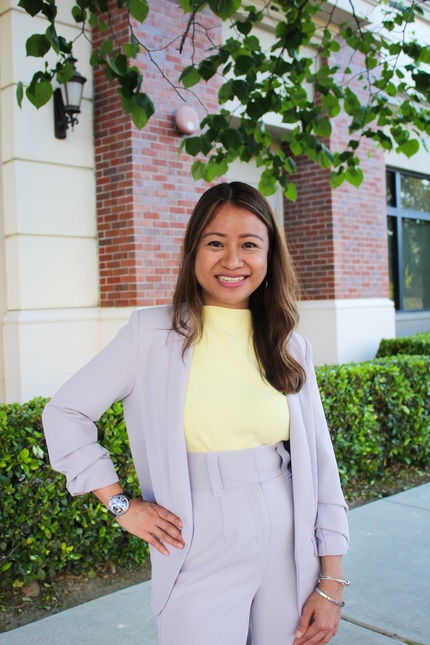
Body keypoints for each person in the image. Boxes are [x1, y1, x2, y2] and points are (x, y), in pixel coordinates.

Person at [42, 181, 349, 645]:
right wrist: (121, 505)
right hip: (194, 533)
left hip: (288, 530)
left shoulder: (290, 345)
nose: (232, 260)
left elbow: (323, 468)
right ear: (193, 251)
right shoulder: (151, 333)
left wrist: (331, 584)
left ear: (269, 256)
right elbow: (64, 412)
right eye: (215, 243)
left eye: (249, 244)